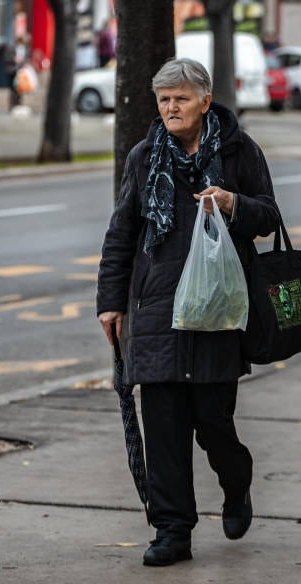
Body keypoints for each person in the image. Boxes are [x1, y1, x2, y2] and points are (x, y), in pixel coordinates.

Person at [97, 58, 278, 567]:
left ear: (205, 98)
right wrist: (111, 302)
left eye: (180, 98)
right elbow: (121, 234)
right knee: (164, 427)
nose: (171, 108)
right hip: (157, 309)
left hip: (218, 311)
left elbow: (269, 217)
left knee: (211, 422)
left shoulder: (240, 151)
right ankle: (172, 531)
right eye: (163, 100)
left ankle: (235, 482)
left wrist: (232, 203)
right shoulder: (143, 157)